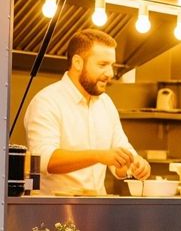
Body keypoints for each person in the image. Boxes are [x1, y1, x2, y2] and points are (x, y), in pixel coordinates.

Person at [25, 29, 150, 194]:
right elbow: (45, 160)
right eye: (102, 65)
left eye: (111, 65)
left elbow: (119, 156)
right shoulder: (47, 101)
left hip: (97, 210)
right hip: (54, 212)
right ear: (77, 62)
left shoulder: (106, 103)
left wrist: (134, 164)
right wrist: (98, 156)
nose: (110, 73)